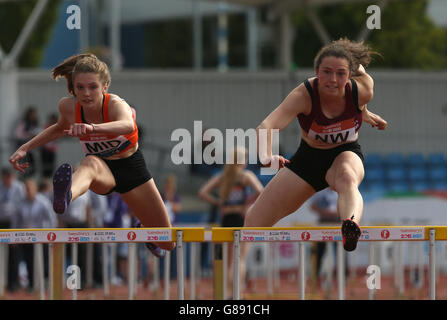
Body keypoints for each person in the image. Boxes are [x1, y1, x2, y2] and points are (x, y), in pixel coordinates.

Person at [9, 53, 175, 257]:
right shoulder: (69, 107)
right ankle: (67, 194)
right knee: (89, 163)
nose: (86, 93)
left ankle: (145, 229)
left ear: (105, 87)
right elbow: (58, 128)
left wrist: (92, 128)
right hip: (102, 170)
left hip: (132, 170)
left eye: (93, 87)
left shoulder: (115, 105)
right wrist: (25, 147)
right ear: (73, 88)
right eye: (80, 87)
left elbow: (128, 124)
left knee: (168, 243)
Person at [244, 38, 387, 252]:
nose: (332, 80)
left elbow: (360, 90)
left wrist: (363, 112)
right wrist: (266, 157)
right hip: (308, 160)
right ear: (316, 72)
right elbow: (267, 125)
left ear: (349, 75)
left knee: (347, 177)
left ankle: (351, 225)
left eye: (340, 74)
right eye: (326, 72)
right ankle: (235, 279)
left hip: (345, 152)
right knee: (253, 224)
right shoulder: (303, 95)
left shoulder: (363, 89)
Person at [198, 147, 263, 294]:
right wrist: (247, 203)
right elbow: (260, 191)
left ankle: (223, 292)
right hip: (240, 217)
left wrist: (218, 202)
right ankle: (236, 292)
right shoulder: (246, 176)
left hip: (226, 218)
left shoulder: (223, 177)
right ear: (243, 160)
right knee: (240, 259)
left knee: (224, 260)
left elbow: (202, 192)